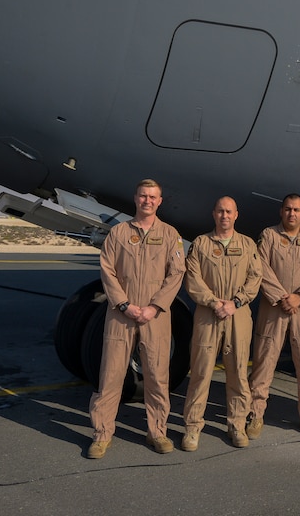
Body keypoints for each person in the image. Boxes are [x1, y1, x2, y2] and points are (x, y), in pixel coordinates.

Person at [87, 179, 186, 458]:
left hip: (155, 317)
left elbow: (176, 273)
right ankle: (102, 435)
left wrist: (155, 307)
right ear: (135, 199)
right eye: (143, 196)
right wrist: (124, 304)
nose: (147, 201)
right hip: (122, 315)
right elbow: (107, 270)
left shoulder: (170, 235)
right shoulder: (118, 233)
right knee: (111, 376)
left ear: (160, 201)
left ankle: (158, 432)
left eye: (153, 197)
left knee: (157, 377)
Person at [246, 194, 300, 440]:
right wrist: (282, 296)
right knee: (264, 360)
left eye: (296, 210)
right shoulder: (269, 235)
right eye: (287, 209)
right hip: (274, 307)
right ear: (281, 212)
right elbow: (260, 266)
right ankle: (255, 414)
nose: (292, 214)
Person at [181, 196, 262, 451]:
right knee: (201, 373)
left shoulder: (247, 244)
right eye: (220, 211)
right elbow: (192, 279)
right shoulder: (201, 244)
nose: (224, 216)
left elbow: (255, 278)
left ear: (236, 215)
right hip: (208, 314)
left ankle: (237, 425)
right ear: (213, 214)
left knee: (238, 372)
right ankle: (193, 428)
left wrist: (235, 302)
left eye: (229, 212)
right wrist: (214, 303)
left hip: (237, 315)